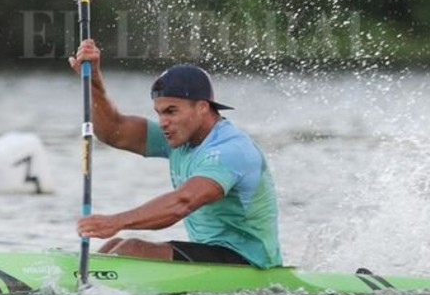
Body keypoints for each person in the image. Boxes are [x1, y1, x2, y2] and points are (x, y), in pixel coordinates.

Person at [70, 39, 282, 268]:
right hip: (211, 255)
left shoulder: (231, 150)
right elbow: (114, 131)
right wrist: (94, 83)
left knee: (131, 249)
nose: (163, 122)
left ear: (202, 107)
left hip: (250, 263)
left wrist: (116, 221)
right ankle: (88, 285)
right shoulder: (179, 137)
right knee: (114, 247)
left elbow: (183, 202)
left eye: (171, 111)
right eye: (159, 113)